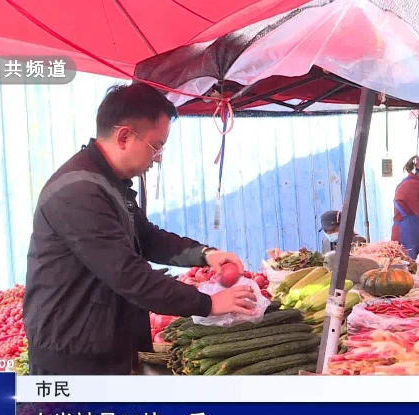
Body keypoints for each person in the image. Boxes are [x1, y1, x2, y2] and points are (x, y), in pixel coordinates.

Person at [23, 83, 257, 376]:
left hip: (105, 339)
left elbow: (146, 237)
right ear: (124, 136)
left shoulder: (108, 183)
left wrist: (205, 254)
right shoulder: (79, 191)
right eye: (156, 146)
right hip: (75, 354)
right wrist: (207, 303)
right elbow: (128, 275)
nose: (158, 157)